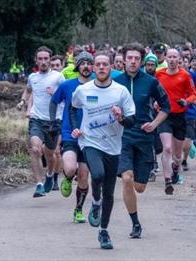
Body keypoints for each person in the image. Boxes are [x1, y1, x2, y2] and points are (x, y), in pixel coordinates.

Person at [69, 52, 135, 249]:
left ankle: (103, 231)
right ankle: (95, 201)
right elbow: (73, 108)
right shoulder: (83, 90)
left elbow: (131, 121)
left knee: (109, 192)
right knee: (96, 174)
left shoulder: (121, 91)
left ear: (111, 67)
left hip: (114, 146)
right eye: (98, 64)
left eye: (105, 64)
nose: (101, 67)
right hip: (90, 141)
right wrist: (75, 127)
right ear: (94, 68)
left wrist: (120, 117)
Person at [114, 42, 169, 238]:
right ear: (123, 60)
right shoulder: (115, 82)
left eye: (137, 59)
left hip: (145, 136)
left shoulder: (151, 82)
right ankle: (135, 223)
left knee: (140, 187)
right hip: (123, 136)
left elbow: (166, 107)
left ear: (142, 61)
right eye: (129, 58)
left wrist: (154, 124)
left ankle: (143, 173)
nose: (133, 62)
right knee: (126, 179)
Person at [49, 51, 93, 223]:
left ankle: (78, 210)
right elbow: (54, 101)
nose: (86, 66)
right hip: (70, 134)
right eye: (83, 63)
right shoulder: (68, 85)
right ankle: (67, 178)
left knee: (83, 175)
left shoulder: (98, 86)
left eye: (89, 63)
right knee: (70, 168)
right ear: (77, 66)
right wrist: (53, 122)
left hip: (90, 137)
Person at [17, 46, 65, 197]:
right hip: (36, 119)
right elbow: (28, 90)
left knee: (49, 155)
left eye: (46, 59)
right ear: (36, 60)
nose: (43, 62)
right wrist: (23, 101)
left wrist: (56, 93)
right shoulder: (33, 77)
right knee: (35, 149)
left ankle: (50, 175)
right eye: (40, 59)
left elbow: (67, 96)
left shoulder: (58, 77)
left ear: (50, 60)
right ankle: (38, 184)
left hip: (53, 121)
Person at [156, 48, 196, 194]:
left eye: (175, 57)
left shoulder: (185, 75)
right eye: (170, 57)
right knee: (167, 148)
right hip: (164, 115)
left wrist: (186, 102)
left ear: (179, 59)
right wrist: (155, 101)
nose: (172, 59)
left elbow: (193, 94)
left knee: (177, 155)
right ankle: (167, 181)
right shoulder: (159, 74)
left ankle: (175, 169)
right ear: (165, 58)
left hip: (180, 116)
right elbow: (154, 91)